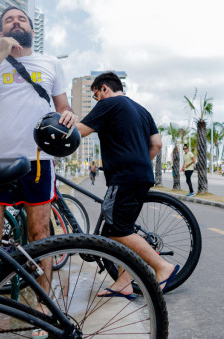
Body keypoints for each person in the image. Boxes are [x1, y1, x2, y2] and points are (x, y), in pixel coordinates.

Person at [0, 6, 77, 334]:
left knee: (41, 234)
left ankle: (43, 308)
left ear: (31, 29)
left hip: (37, 161)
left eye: (21, 19)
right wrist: (0, 53)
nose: (16, 22)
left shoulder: (51, 63)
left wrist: (68, 115)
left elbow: (63, 107)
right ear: (1, 31)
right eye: (9, 20)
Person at [75, 71, 178, 297]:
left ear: (104, 89)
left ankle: (162, 267)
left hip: (124, 176)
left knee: (119, 231)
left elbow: (79, 132)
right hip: (141, 174)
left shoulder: (110, 103)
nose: (97, 100)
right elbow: (157, 144)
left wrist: (55, 136)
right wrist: (140, 162)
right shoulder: (142, 110)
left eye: (95, 95)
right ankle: (123, 282)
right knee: (118, 228)